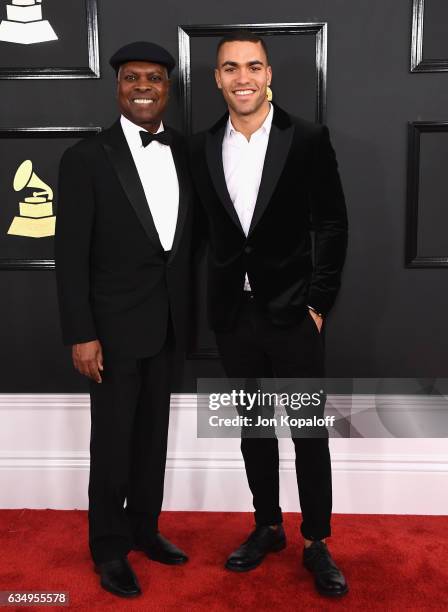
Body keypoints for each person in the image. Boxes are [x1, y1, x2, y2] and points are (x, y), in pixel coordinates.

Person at [190, 31, 349, 597]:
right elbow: (205, 236)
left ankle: (317, 541)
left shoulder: (306, 138)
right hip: (236, 316)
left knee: (308, 431)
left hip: (294, 313)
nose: (242, 77)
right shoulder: (203, 145)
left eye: (253, 66)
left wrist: (319, 303)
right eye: (230, 67)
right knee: (255, 429)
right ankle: (267, 526)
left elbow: (331, 222)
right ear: (216, 78)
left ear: (269, 74)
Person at [55, 41, 194, 598]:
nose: (143, 86)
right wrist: (80, 333)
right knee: (112, 444)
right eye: (133, 77)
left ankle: (144, 529)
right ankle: (109, 548)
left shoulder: (185, 150)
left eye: (154, 78)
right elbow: (70, 256)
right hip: (109, 331)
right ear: (117, 86)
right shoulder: (85, 158)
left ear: (168, 88)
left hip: (167, 324)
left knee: (151, 438)